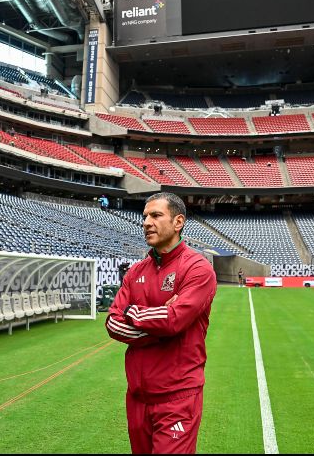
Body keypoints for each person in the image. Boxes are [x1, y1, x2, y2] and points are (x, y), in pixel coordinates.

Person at [105, 192, 217, 454]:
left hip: (178, 396)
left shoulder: (198, 268)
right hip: (138, 396)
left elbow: (174, 319)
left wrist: (133, 312)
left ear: (178, 222)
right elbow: (113, 323)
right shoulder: (136, 271)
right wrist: (160, 323)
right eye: (145, 216)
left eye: (156, 215)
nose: (146, 222)